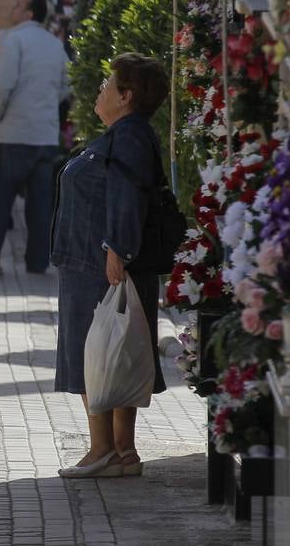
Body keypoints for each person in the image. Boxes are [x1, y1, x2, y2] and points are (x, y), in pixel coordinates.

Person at [52, 53, 168, 478]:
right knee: (111, 351)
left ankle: (102, 449)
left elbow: (127, 193)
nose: (100, 89)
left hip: (99, 262)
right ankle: (121, 451)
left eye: (107, 83)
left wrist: (116, 247)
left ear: (126, 96)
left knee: (98, 353)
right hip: (92, 258)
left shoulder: (130, 135)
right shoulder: (122, 133)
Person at [0, 0, 70, 274]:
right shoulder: (55, 45)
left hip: (15, 132)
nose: (13, 6)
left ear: (30, 13)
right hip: (45, 133)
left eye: (18, 4)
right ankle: (37, 262)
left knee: (1, 198)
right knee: (40, 203)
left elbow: (2, 86)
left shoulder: (14, 40)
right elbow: (65, 86)